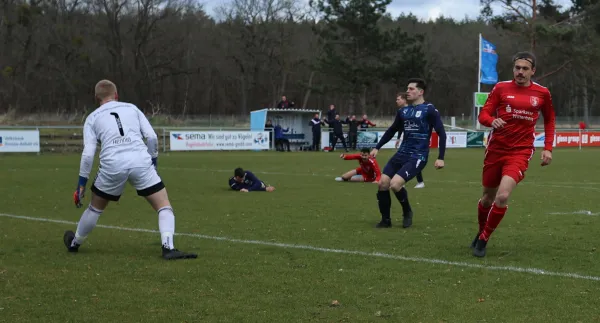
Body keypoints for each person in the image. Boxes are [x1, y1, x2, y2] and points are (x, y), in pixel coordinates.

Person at [65, 79, 197, 260]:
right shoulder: (132, 108)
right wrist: (153, 163)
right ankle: (168, 247)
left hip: (112, 164)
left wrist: (81, 183)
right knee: (164, 206)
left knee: (95, 208)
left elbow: (88, 154)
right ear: (117, 95)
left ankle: (75, 243)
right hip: (140, 160)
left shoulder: (92, 118)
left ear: (97, 98)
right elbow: (151, 137)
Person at [472, 51, 555, 258]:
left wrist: (548, 148)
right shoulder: (500, 88)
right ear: (513, 69)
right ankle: (481, 230)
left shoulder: (542, 93)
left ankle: (483, 239)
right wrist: (492, 121)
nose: (520, 72)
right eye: (517, 68)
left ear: (532, 71)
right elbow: (483, 114)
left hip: (520, 151)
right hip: (496, 149)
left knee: (502, 195)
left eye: (525, 68)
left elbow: (550, 120)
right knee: (486, 199)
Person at [370, 79, 447, 229]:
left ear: (420, 92)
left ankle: (407, 212)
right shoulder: (404, 111)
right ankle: (386, 220)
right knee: (383, 183)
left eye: (411, 89)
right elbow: (391, 130)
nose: (408, 91)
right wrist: (377, 147)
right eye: (407, 88)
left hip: (418, 155)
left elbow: (441, 134)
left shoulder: (429, 109)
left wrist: (441, 157)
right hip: (402, 153)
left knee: (395, 184)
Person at [394, 93, 425, 188]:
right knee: (404, 160)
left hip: (413, 140)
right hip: (405, 139)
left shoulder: (413, 109)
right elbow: (400, 127)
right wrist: (399, 138)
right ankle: (402, 181)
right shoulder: (401, 111)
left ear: (404, 100)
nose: (397, 101)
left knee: (413, 160)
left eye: (398, 99)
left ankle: (420, 182)